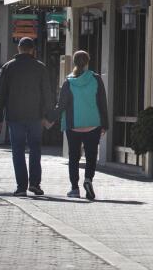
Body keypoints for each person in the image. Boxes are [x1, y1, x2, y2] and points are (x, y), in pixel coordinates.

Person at [0, 37, 53, 197]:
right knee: (35, 148)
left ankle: (21, 186)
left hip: (15, 116)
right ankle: (35, 184)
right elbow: (47, 93)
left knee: (18, 150)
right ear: (32, 50)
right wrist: (49, 115)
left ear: (19, 49)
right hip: (35, 116)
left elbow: (1, 95)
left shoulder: (8, 67)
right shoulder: (40, 68)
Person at [48, 50, 109, 200]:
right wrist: (105, 124)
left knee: (73, 157)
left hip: (73, 125)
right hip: (93, 124)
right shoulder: (96, 79)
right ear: (88, 62)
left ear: (74, 63)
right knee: (91, 156)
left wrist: (49, 119)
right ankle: (88, 179)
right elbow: (102, 103)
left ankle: (74, 188)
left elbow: (61, 105)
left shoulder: (68, 82)